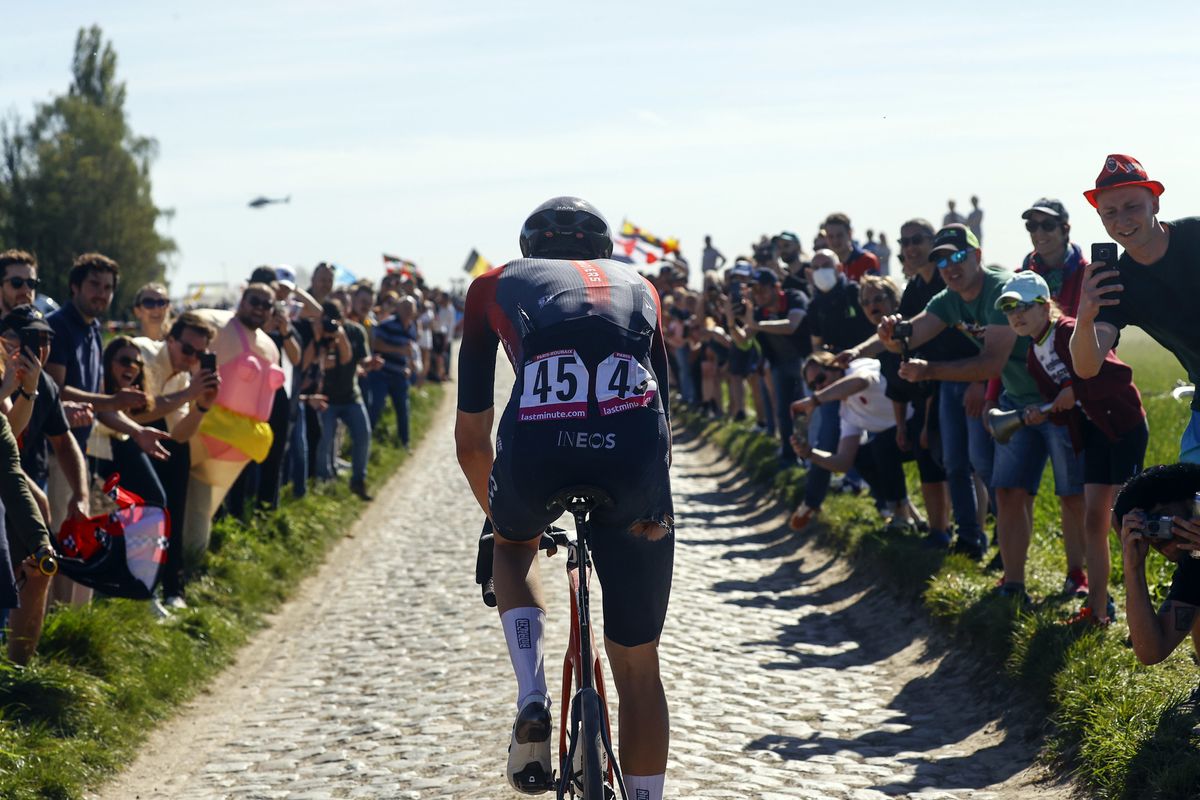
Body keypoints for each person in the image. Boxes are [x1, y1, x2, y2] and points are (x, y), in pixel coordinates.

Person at [455, 196, 673, 799]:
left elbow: (472, 441)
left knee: (514, 545)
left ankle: (532, 692)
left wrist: (504, 522)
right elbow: (665, 422)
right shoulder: (644, 286)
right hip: (635, 454)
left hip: (538, 446)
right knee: (638, 667)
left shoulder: (492, 284)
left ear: (531, 249)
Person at [877, 225, 1085, 600]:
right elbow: (913, 331)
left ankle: (1078, 578)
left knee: (1071, 496)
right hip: (1017, 401)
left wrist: (931, 371)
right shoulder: (947, 297)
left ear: (977, 255)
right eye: (942, 260)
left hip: (1060, 402)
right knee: (1007, 493)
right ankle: (1014, 582)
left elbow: (991, 362)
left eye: (957, 256)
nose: (950, 266)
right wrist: (893, 335)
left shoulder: (1000, 288)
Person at [999, 271, 1147, 623]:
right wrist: (1045, 414)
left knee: (1125, 521)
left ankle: (1144, 611)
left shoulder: (1067, 331)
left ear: (1045, 305)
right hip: (1094, 434)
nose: (1016, 315)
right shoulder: (1034, 355)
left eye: (1024, 306)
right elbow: (1064, 407)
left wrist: (1074, 393)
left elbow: (1118, 375)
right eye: (1008, 309)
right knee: (1094, 520)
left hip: (1124, 427)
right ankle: (1098, 608)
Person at [1069, 153, 1200, 465]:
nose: (1122, 221)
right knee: (1185, 497)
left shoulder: (1195, 236)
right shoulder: (1116, 282)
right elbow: (1086, 366)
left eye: (1132, 207)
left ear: (1155, 204)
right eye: (1109, 213)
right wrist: (1085, 316)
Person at [184, 284, 285, 569]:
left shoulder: (270, 346)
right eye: (255, 301)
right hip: (200, 425)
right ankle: (167, 566)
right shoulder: (214, 323)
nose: (260, 308)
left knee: (203, 505)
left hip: (240, 439)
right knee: (175, 494)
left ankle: (189, 567)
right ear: (243, 300)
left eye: (267, 305)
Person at [133, 311, 220, 608]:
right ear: (170, 340)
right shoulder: (143, 354)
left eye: (200, 354)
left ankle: (173, 587)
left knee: (175, 506)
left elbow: (180, 434)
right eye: (187, 350)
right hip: (122, 440)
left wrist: (202, 407)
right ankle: (147, 587)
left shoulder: (184, 374)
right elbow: (139, 412)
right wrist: (188, 393)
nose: (192, 358)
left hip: (158, 440)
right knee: (154, 508)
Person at [789, 248, 874, 529]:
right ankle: (811, 502)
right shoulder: (815, 306)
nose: (822, 270)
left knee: (876, 441)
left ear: (839, 269)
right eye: (817, 266)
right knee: (827, 438)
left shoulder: (855, 293)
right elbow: (816, 346)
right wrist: (821, 369)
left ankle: (888, 502)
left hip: (868, 374)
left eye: (827, 264)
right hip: (833, 379)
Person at [790, 351, 916, 526]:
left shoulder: (857, 368)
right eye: (813, 386)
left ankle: (903, 517)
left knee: (882, 444)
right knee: (863, 455)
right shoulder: (847, 411)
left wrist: (815, 400)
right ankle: (902, 512)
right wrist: (809, 453)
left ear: (834, 367)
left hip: (920, 422)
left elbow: (863, 381)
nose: (820, 387)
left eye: (821, 378)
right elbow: (844, 462)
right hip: (898, 440)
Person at [1114, 463, 1200, 664]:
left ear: (1194, 504)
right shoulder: (1194, 562)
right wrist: (1133, 569)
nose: (1157, 536)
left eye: (1163, 518)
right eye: (1149, 525)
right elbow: (1151, 652)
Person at [745, 269, 809, 465]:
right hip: (779, 365)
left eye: (762, 289)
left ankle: (809, 458)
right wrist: (732, 321)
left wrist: (756, 324)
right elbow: (741, 340)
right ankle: (788, 456)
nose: (758, 295)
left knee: (804, 410)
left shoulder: (795, 298)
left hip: (804, 362)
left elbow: (792, 326)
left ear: (776, 287)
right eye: (754, 291)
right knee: (783, 411)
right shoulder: (758, 312)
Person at [315, 299, 376, 500]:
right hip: (326, 399)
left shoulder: (355, 331)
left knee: (363, 435)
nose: (333, 323)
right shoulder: (319, 332)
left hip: (351, 395)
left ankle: (358, 480)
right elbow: (324, 363)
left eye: (337, 318)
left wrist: (370, 363)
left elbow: (353, 358)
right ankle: (324, 482)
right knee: (324, 441)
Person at [1019, 198, 1086, 315]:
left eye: (1048, 225)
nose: (1039, 233)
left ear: (1065, 230)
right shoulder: (1020, 277)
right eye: (1032, 225)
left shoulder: (1087, 276)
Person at [368, 295, 419, 448]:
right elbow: (376, 344)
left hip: (399, 375)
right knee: (375, 407)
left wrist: (410, 367)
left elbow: (410, 351)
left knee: (403, 410)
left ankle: (404, 443)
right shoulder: (387, 324)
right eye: (405, 307)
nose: (408, 311)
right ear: (398, 309)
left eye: (411, 308)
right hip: (381, 374)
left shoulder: (412, 328)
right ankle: (366, 442)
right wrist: (399, 350)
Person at [822, 213, 879, 281]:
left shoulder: (867, 260)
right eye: (831, 236)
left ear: (849, 234)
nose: (835, 240)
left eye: (839, 235)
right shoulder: (823, 265)